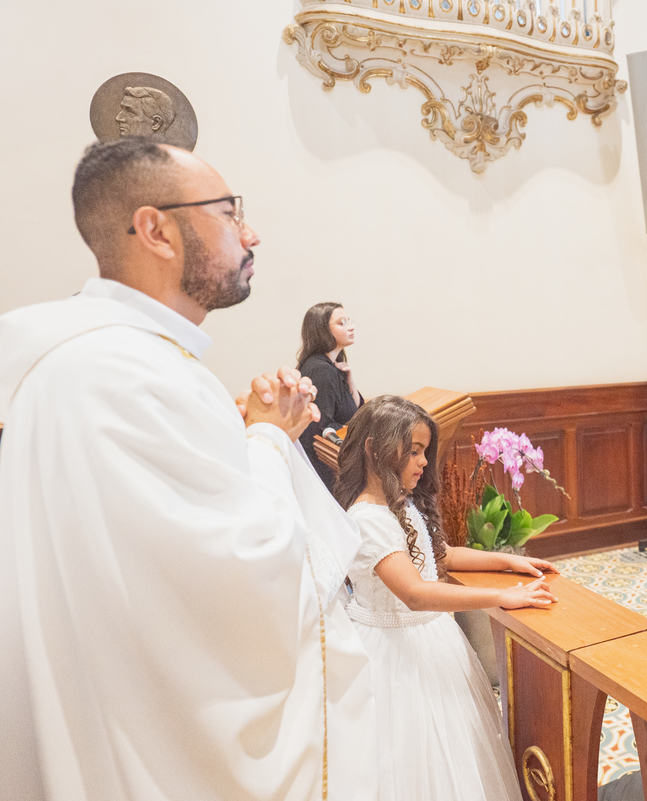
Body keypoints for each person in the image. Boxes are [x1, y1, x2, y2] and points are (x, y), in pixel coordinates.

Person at [0, 138, 375, 800]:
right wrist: (267, 436)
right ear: (156, 230)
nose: (250, 234)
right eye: (229, 213)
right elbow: (241, 563)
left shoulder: (92, 356)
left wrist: (245, 431)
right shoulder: (128, 373)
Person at [333, 395, 557, 801]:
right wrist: (500, 597)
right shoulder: (367, 519)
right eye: (414, 451)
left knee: (456, 748)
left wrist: (508, 561)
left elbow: (440, 556)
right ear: (374, 448)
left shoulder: (398, 504)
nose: (423, 462)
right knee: (410, 753)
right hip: (395, 655)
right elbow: (415, 593)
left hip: (431, 641)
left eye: (424, 451)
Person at [298, 301, 364, 491]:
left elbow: (357, 410)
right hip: (324, 471)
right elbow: (322, 428)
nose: (351, 327)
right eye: (342, 323)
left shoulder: (333, 365)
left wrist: (350, 381)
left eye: (349, 321)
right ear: (322, 330)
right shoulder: (320, 370)